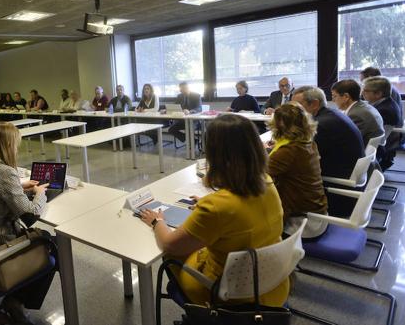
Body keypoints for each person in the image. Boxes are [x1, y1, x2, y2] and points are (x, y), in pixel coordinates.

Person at [138, 114, 288, 307]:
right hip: (271, 284)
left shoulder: (217, 207)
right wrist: (212, 201)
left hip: (227, 295)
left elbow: (168, 245)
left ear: (215, 153)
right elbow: (239, 208)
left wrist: (157, 221)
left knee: (171, 253)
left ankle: (197, 312)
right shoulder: (267, 181)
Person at [0, 122, 53, 323]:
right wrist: (40, 194)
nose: (17, 148)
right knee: (52, 249)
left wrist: (20, 186)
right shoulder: (6, 172)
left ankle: (17, 302)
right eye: (15, 144)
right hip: (0, 238)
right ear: (7, 145)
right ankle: (16, 302)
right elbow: (30, 213)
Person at [266, 103, 328, 239]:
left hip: (300, 223)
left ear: (279, 124)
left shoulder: (288, 152)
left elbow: (258, 178)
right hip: (318, 214)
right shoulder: (309, 143)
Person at [292, 86, 364, 179]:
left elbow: (302, 158)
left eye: (298, 105)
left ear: (314, 104)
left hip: (337, 178)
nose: (293, 110)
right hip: (348, 169)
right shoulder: (332, 113)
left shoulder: (320, 125)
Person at [362, 76, 403, 170]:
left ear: (378, 94)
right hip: (379, 146)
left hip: (378, 149)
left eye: (366, 91)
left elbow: (372, 136)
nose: (362, 93)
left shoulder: (384, 110)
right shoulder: (385, 104)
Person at [331, 79, 384, 146]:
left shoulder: (356, 115)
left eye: (334, 96)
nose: (333, 100)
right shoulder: (362, 106)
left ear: (346, 97)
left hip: (359, 152)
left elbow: (346, 140)